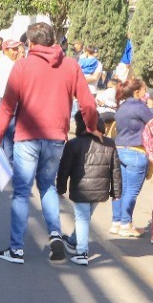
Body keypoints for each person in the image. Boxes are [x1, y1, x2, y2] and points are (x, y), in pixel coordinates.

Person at [0, 22, 99, 264]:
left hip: (27, 137)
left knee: (21, 192)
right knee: (47, 186)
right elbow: (88, 103)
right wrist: (92, 128)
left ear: (31, 43)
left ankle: (16, 249)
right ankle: (55, 234)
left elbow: (7, 106)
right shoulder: (71, 65)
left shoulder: (23, 66)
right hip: (56, 138)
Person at [57, 112, 122, 266]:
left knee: (82, 218)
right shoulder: (109, 144)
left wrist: (60, 188)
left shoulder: (73, 144)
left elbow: (64, 169)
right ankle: (73, 241)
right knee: (85, 218)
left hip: (81, 189)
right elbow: (115, 170)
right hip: (100, 190)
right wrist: (116, 192)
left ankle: (82, 253)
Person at [111, 78, 153, 238]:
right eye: (144, 90)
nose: (146, 93)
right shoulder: (139, 107)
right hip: (136, 151)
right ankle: (126, 223)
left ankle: (116, 222)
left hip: (119, 149)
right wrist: (152, 108)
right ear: (137, 92)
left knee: (120, 189)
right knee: (131, 191)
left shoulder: (122, 107)